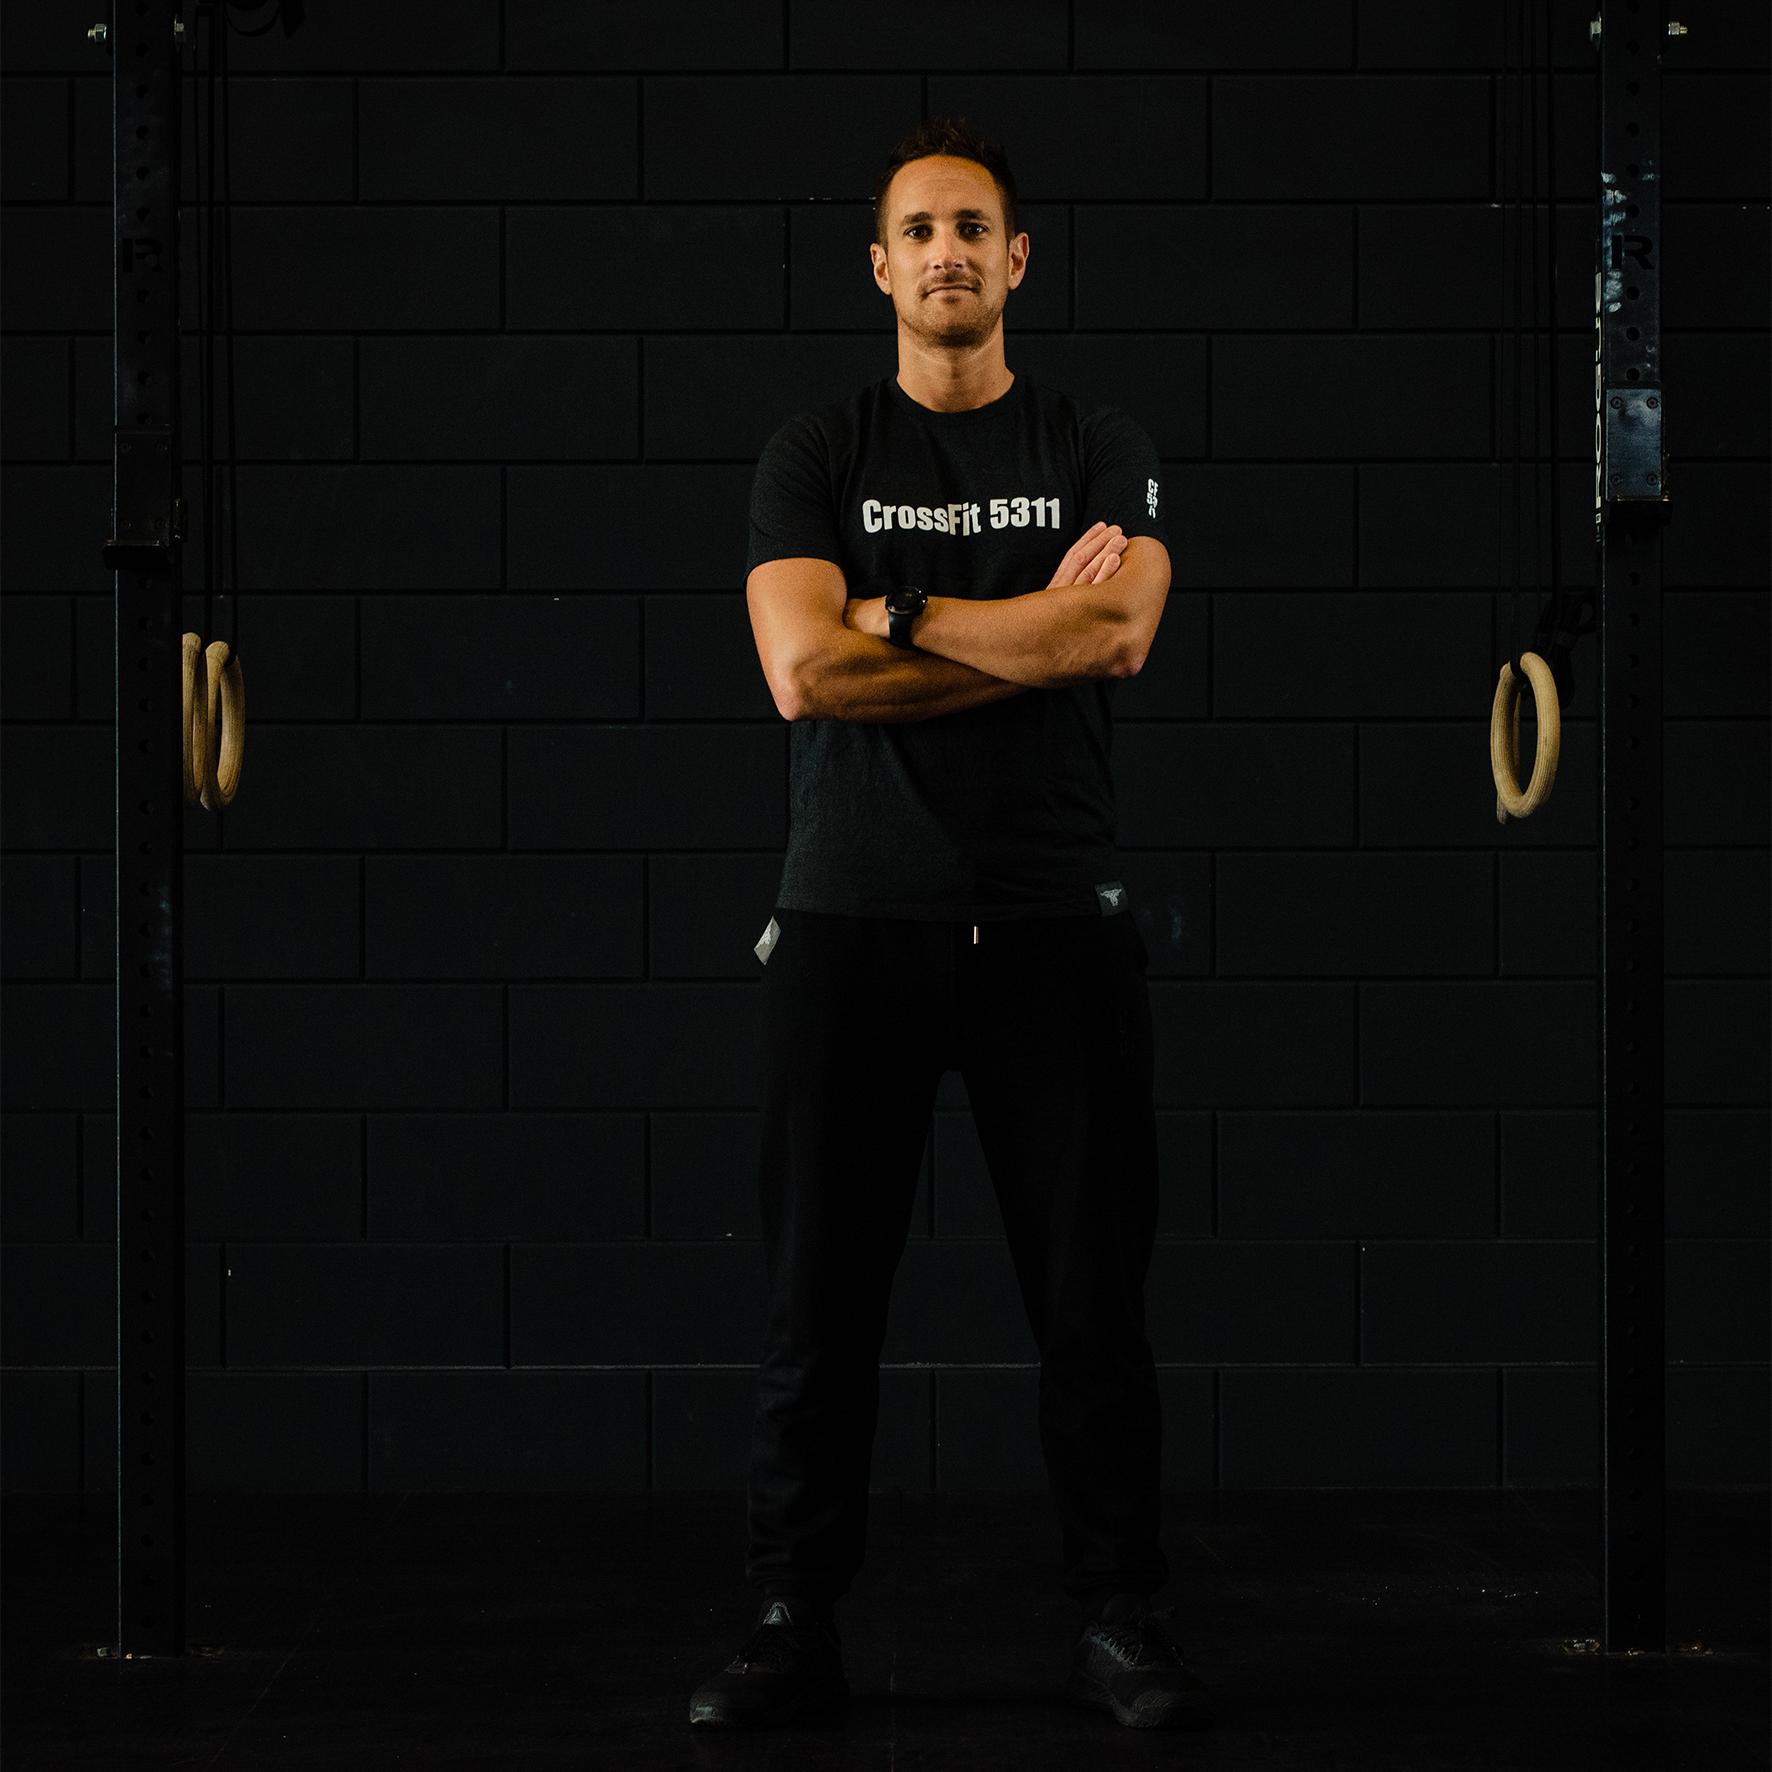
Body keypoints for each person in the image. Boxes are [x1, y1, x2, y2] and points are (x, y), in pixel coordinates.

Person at [688, 114, 1213, 1733]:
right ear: (880, 266)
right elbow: (803, 672)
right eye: (919, 231)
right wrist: (1027, 625)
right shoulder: (817, 453)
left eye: (973, 228)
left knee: (1091, 1307)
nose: (947, 254)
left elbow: (1114, 639)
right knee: (818, 1305)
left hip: (1052, 925)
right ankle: (792, 1619)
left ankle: (1122, 1619)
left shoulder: (1094, 438)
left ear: (1018, 258)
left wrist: (902, 612)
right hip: (852, 922)